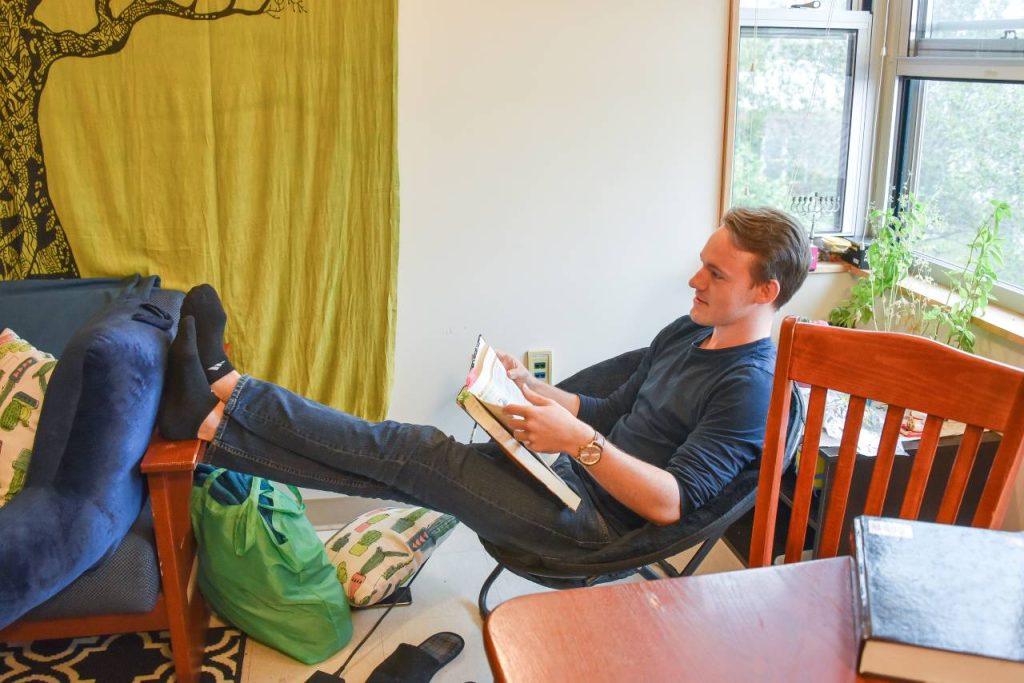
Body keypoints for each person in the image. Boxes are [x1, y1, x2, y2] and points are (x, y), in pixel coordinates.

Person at [158, 207, 809, 558]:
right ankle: (214, 427)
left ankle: (228, 387)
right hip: (569, 478)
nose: (695, 280)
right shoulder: (688, 330)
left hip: (598, 527)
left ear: (764, 291)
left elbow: (669, 502)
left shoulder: (750, 388)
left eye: (716, 274)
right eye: (701, 264)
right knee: (403, 465)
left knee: (414, 451)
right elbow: (610, 407)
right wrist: (528, 387)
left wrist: (576, 439)